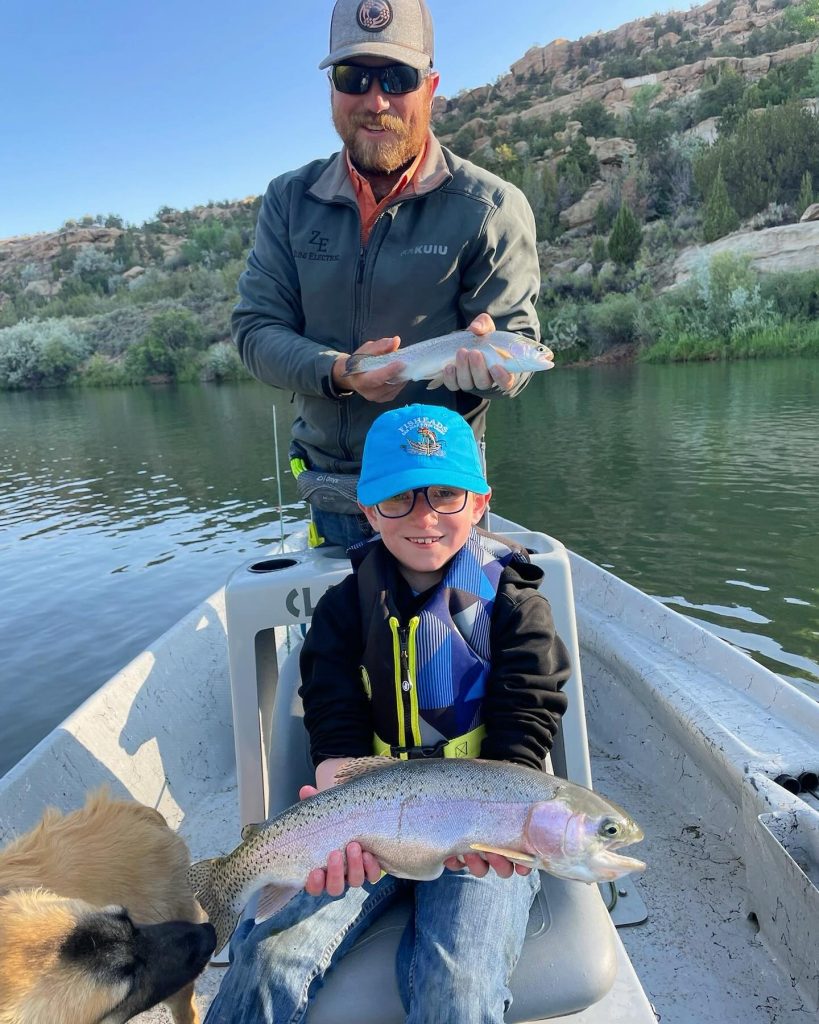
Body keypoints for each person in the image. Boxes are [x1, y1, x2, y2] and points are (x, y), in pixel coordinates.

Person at [204, 404, 571, 1024]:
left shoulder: (518, 609)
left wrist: (503, 827)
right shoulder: (341, 611)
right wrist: (333, 777)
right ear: (369, 511)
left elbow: (525, 728)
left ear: (480, 503)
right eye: (399, 499)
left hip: (479, 832)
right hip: (363, 826)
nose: (424, 517)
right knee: (268, 956)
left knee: (461, 986)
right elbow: (331, 714)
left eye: (445, 494)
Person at [232, 0, 547, 548]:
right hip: (331, 494)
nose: (375, 101)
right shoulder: (288, 200)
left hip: (439, 504)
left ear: (430, 88)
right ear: (332, 89)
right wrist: (342, 370)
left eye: (398, 78)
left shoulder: (493, 206)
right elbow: (256, 331)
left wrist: (492, 369)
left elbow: (516, 348)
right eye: (353, 78)